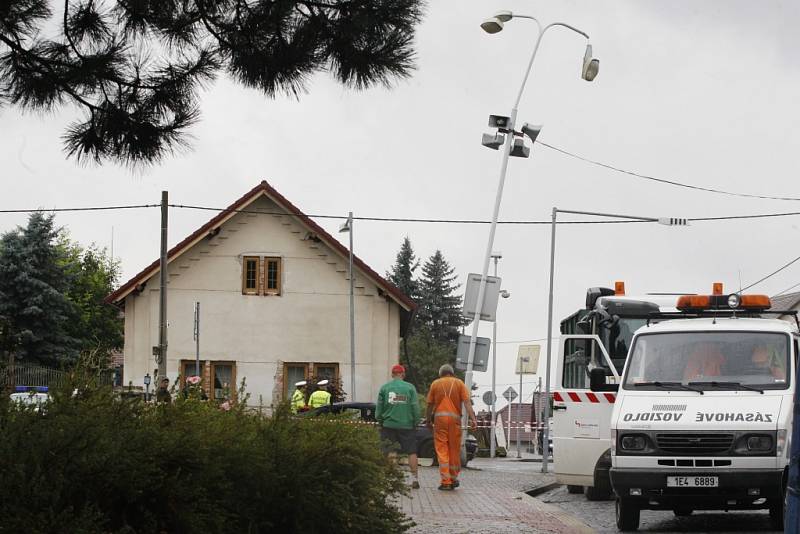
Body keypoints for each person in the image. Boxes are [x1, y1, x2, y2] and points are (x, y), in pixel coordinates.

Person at [426, 364, 477, 491]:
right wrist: (473, 419)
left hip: (440, 421)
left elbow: (429, 404)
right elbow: (467, 402)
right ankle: (453, 478)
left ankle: (445, 481)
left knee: (442, 450)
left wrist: (428, 420)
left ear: (441, 374)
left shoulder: (435, 384)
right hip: (455, 421)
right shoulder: (459, 383)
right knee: (454, 450)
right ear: (452, 373)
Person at [376, 364, 421, 489]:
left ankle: (391, 479)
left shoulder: (385, 388)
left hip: (388, 425)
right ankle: (415, 479)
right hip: (407, 425)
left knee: (391, 451)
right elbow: (415, 408)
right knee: (411, 452)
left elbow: (379, 409)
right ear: (403, 374)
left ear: (392, 374)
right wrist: (415, 422)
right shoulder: (410, 388)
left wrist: (380, 421)